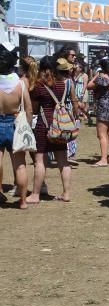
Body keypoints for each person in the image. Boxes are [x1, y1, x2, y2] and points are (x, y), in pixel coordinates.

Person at [29, 56, 79, 203]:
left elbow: (35, 109)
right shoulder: (63, 84)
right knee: (63, 161)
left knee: (40, 161)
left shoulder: (37, 86)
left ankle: (35, 194)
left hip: (43, 125)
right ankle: (66, 193)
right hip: (60, 126)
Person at [0, 46, 30, 209]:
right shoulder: (20, 84)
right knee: (20, 165)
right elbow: (29, 107)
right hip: (15, 123)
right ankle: (23, 201)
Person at [87, 58, 109, 167]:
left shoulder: (102, 77)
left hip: (104, 106)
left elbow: (89, 86)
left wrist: (96, 75)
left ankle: (103, 159)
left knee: (102, 134)